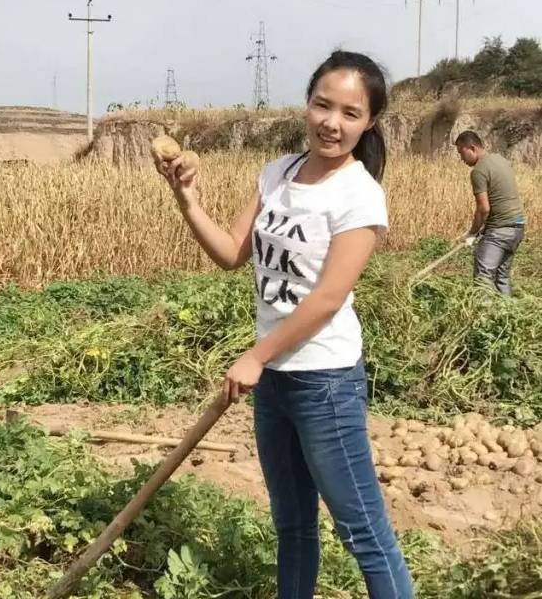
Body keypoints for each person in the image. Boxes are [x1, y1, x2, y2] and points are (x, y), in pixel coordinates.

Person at [153, 51, 413, 599]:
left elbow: (327, 299)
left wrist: (257, 354)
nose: (331, 123)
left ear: (368, 123)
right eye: (322, 105)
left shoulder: (360, 194)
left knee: (362, 530)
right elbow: (230, 252)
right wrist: (187, 197)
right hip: (275, 381)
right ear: (307, 103)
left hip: (325, 381)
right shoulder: (279, 172)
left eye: (349, 113)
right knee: (292, 525)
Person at [454, 131, 526, 295]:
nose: (461, 158)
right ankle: (506, 315)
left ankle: (485, 318)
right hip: (518, 227)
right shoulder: (500, 160)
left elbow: (484, 208)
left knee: (483, 278)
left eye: (461, 152)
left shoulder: (478, 171)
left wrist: (472, 233)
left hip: (499, 231)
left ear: (472, 148)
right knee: (502, 277)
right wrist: (481, 229)